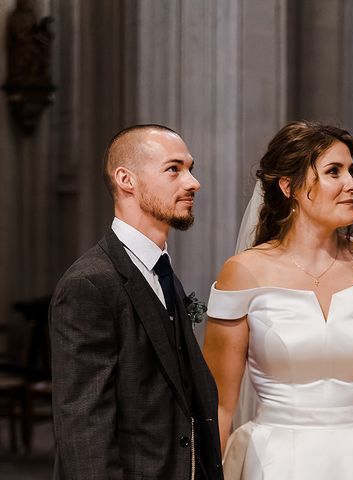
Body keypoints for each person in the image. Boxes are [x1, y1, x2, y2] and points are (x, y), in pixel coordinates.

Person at [204, 121, 353, 479]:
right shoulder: (244, 272)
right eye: (334, 172)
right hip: (275, 461)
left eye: (352, 171)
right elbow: (218, 401)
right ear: (289, 186)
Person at [49, 124, 224, 480]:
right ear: (126, 179)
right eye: (174, 169)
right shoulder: (90, 284)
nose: (193, 183)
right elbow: (85, 428)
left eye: (191, 169)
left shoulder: (162, 271)